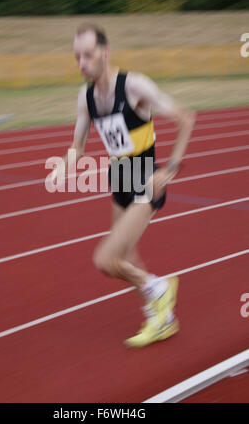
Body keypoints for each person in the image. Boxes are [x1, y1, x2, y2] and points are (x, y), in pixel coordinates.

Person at [48, 24, 196, 348]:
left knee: (105, 260)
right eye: (77, 57)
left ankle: (159, 289)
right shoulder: (86, 97)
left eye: (88, 55)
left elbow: (186, 119)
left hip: (145, 179)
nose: (82, 63)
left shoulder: (134, 86)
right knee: (125, 257)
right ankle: (161, 318)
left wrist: (168, 170)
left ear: (106, 51)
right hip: (120, 180)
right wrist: (63, 166)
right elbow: (78, 146)